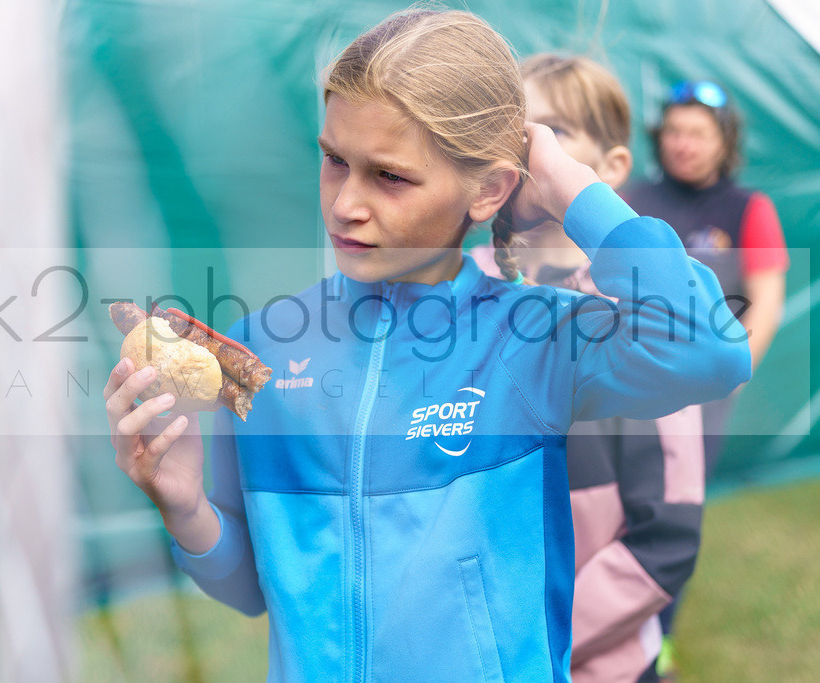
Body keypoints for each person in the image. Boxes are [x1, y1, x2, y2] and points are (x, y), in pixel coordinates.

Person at [104, 10, 750, 680]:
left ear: (490, 189)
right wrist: (186, 508)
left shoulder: (532, 336)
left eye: (390, 176)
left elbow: (710, 348)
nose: (346, 204)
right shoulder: (261, 350)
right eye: (335, 160)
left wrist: (565, 184)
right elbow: (253, 589)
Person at [474, 54, 706, 682]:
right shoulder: (460, 292)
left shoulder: (642, 314)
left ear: (612, 166)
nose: (529, 152)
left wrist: (536, 639)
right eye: (514, 133)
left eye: (555, 133)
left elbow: (665, 538)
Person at [625, 79, 790, 678]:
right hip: (625, 387)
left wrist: (729, 374)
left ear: (724, 141)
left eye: (697, 133)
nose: (683, 144)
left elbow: (766, 302)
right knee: (612, 509)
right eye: (673, 131)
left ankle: (658, 639)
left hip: (701, 398)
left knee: (672, 516)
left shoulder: (748, 209)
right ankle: (600, 635)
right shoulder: (631, 198)